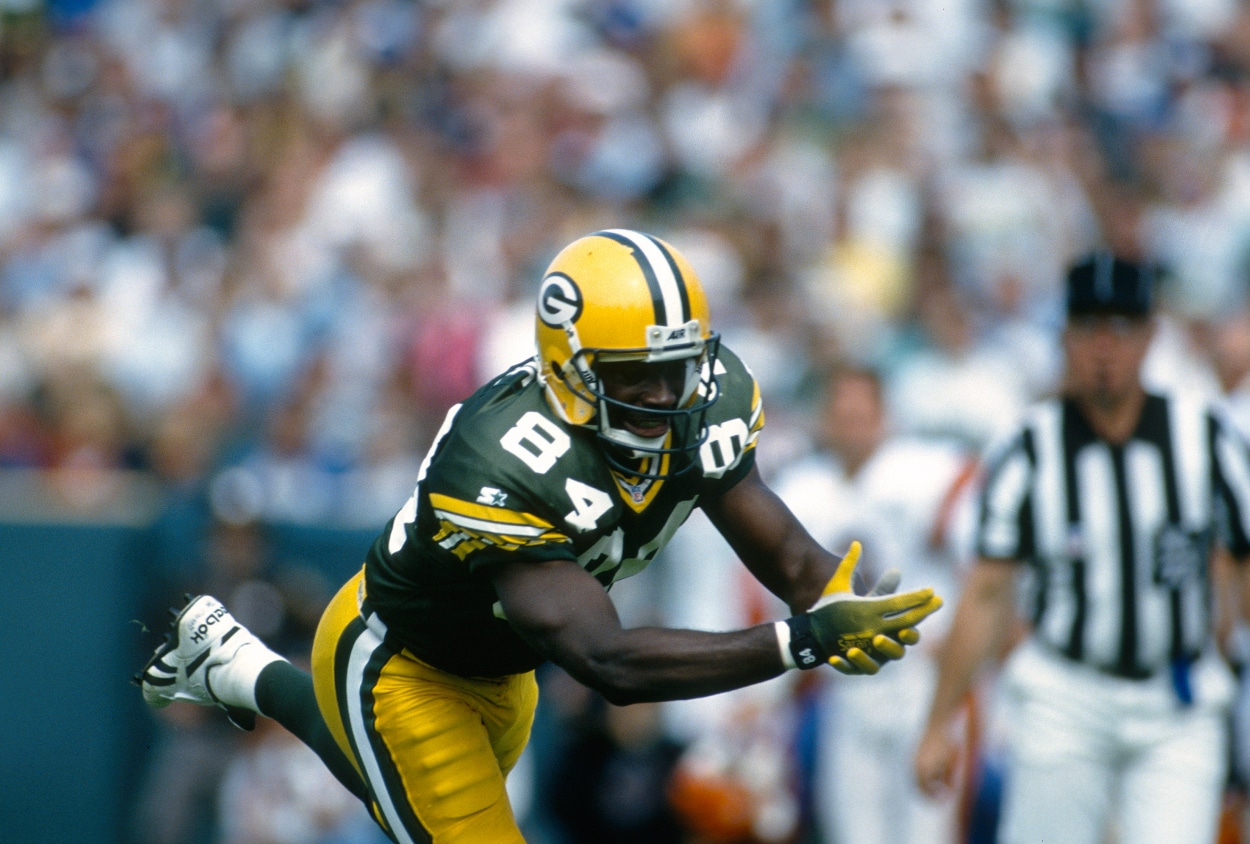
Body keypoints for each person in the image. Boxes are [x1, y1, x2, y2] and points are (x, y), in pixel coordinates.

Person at [136, 228, 944, 844]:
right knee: (416, 798)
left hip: (507, 668)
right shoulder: (500, 457)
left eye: (679, 367)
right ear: (571, 366)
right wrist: (798, 642)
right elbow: (609, 663)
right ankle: (248, 670)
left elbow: (793, 557)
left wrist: (844, 597)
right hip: (405, 667)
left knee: (394, 803)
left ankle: (236, 665)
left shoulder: (709, 401)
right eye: (635, 374)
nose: (666, 395)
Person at [913, 252, 1250, 844]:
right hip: (1065, 695)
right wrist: (941, 722)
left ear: (1149, 338)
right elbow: (988, 594)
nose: (1104, 348)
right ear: (1064, 338)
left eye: (1121, 329)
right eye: (1089, 328)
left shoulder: (1208, 437)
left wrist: (1226, 641)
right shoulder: (1027, 448)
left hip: (1178, 700)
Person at [774, 365, 976, 844]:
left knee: (929, 831)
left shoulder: (927, 472)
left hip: (922, 683)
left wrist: (959, 642)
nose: (851, 426)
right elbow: (774, 602)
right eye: (841, 415)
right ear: (823, 418)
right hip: (846, 690)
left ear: (884, 415)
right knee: (851, 832)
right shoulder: (801, 490)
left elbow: (984, 565)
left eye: (861, 414)